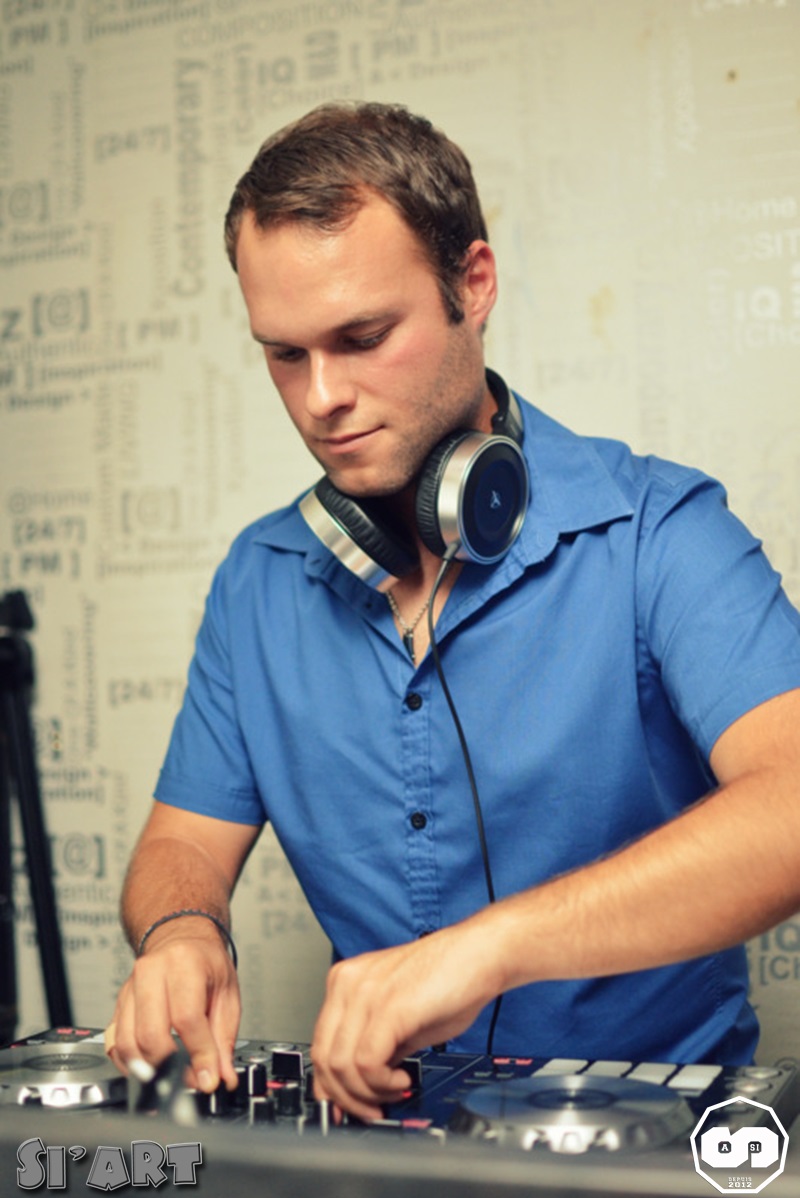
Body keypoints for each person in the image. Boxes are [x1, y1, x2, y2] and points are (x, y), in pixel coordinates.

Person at [107, 102, 800, 1122]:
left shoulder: (658, 530)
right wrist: (181, 932)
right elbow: (183, 848)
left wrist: (487, 948)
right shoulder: (258, 579)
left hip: (651, 1146)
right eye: (285, 354)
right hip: (382, 1148)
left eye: (362, 337)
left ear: (472, 285)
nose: (320, 397)